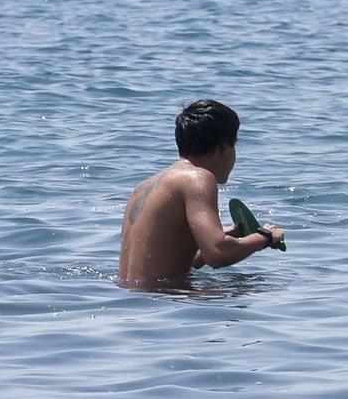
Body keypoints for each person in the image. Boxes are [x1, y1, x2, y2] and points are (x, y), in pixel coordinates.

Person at [118, 100, 284, 286]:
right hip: (163, 299)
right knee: (261, 289)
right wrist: (265, 237)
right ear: (224, 148)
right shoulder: (198, 178)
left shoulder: (143, 187)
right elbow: (218, 254)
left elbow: (169, 263)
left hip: (130, 298)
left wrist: (232, 235)